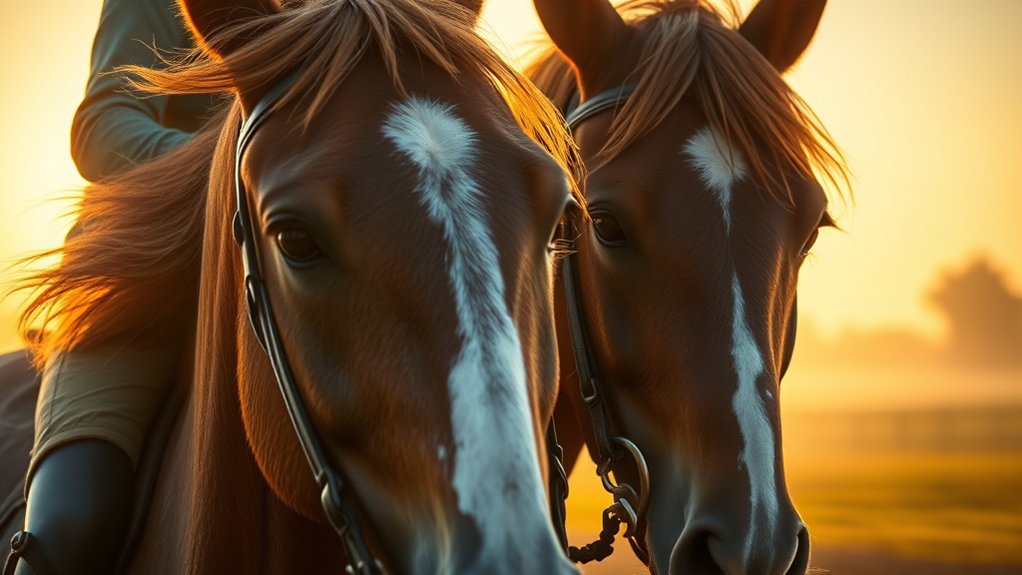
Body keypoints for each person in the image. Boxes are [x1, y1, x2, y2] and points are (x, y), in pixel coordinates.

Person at [7, 1, 220, 573]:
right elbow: (103, 124)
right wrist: (234, 167)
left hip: (310, 266)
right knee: (74, 521)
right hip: (147, 277)